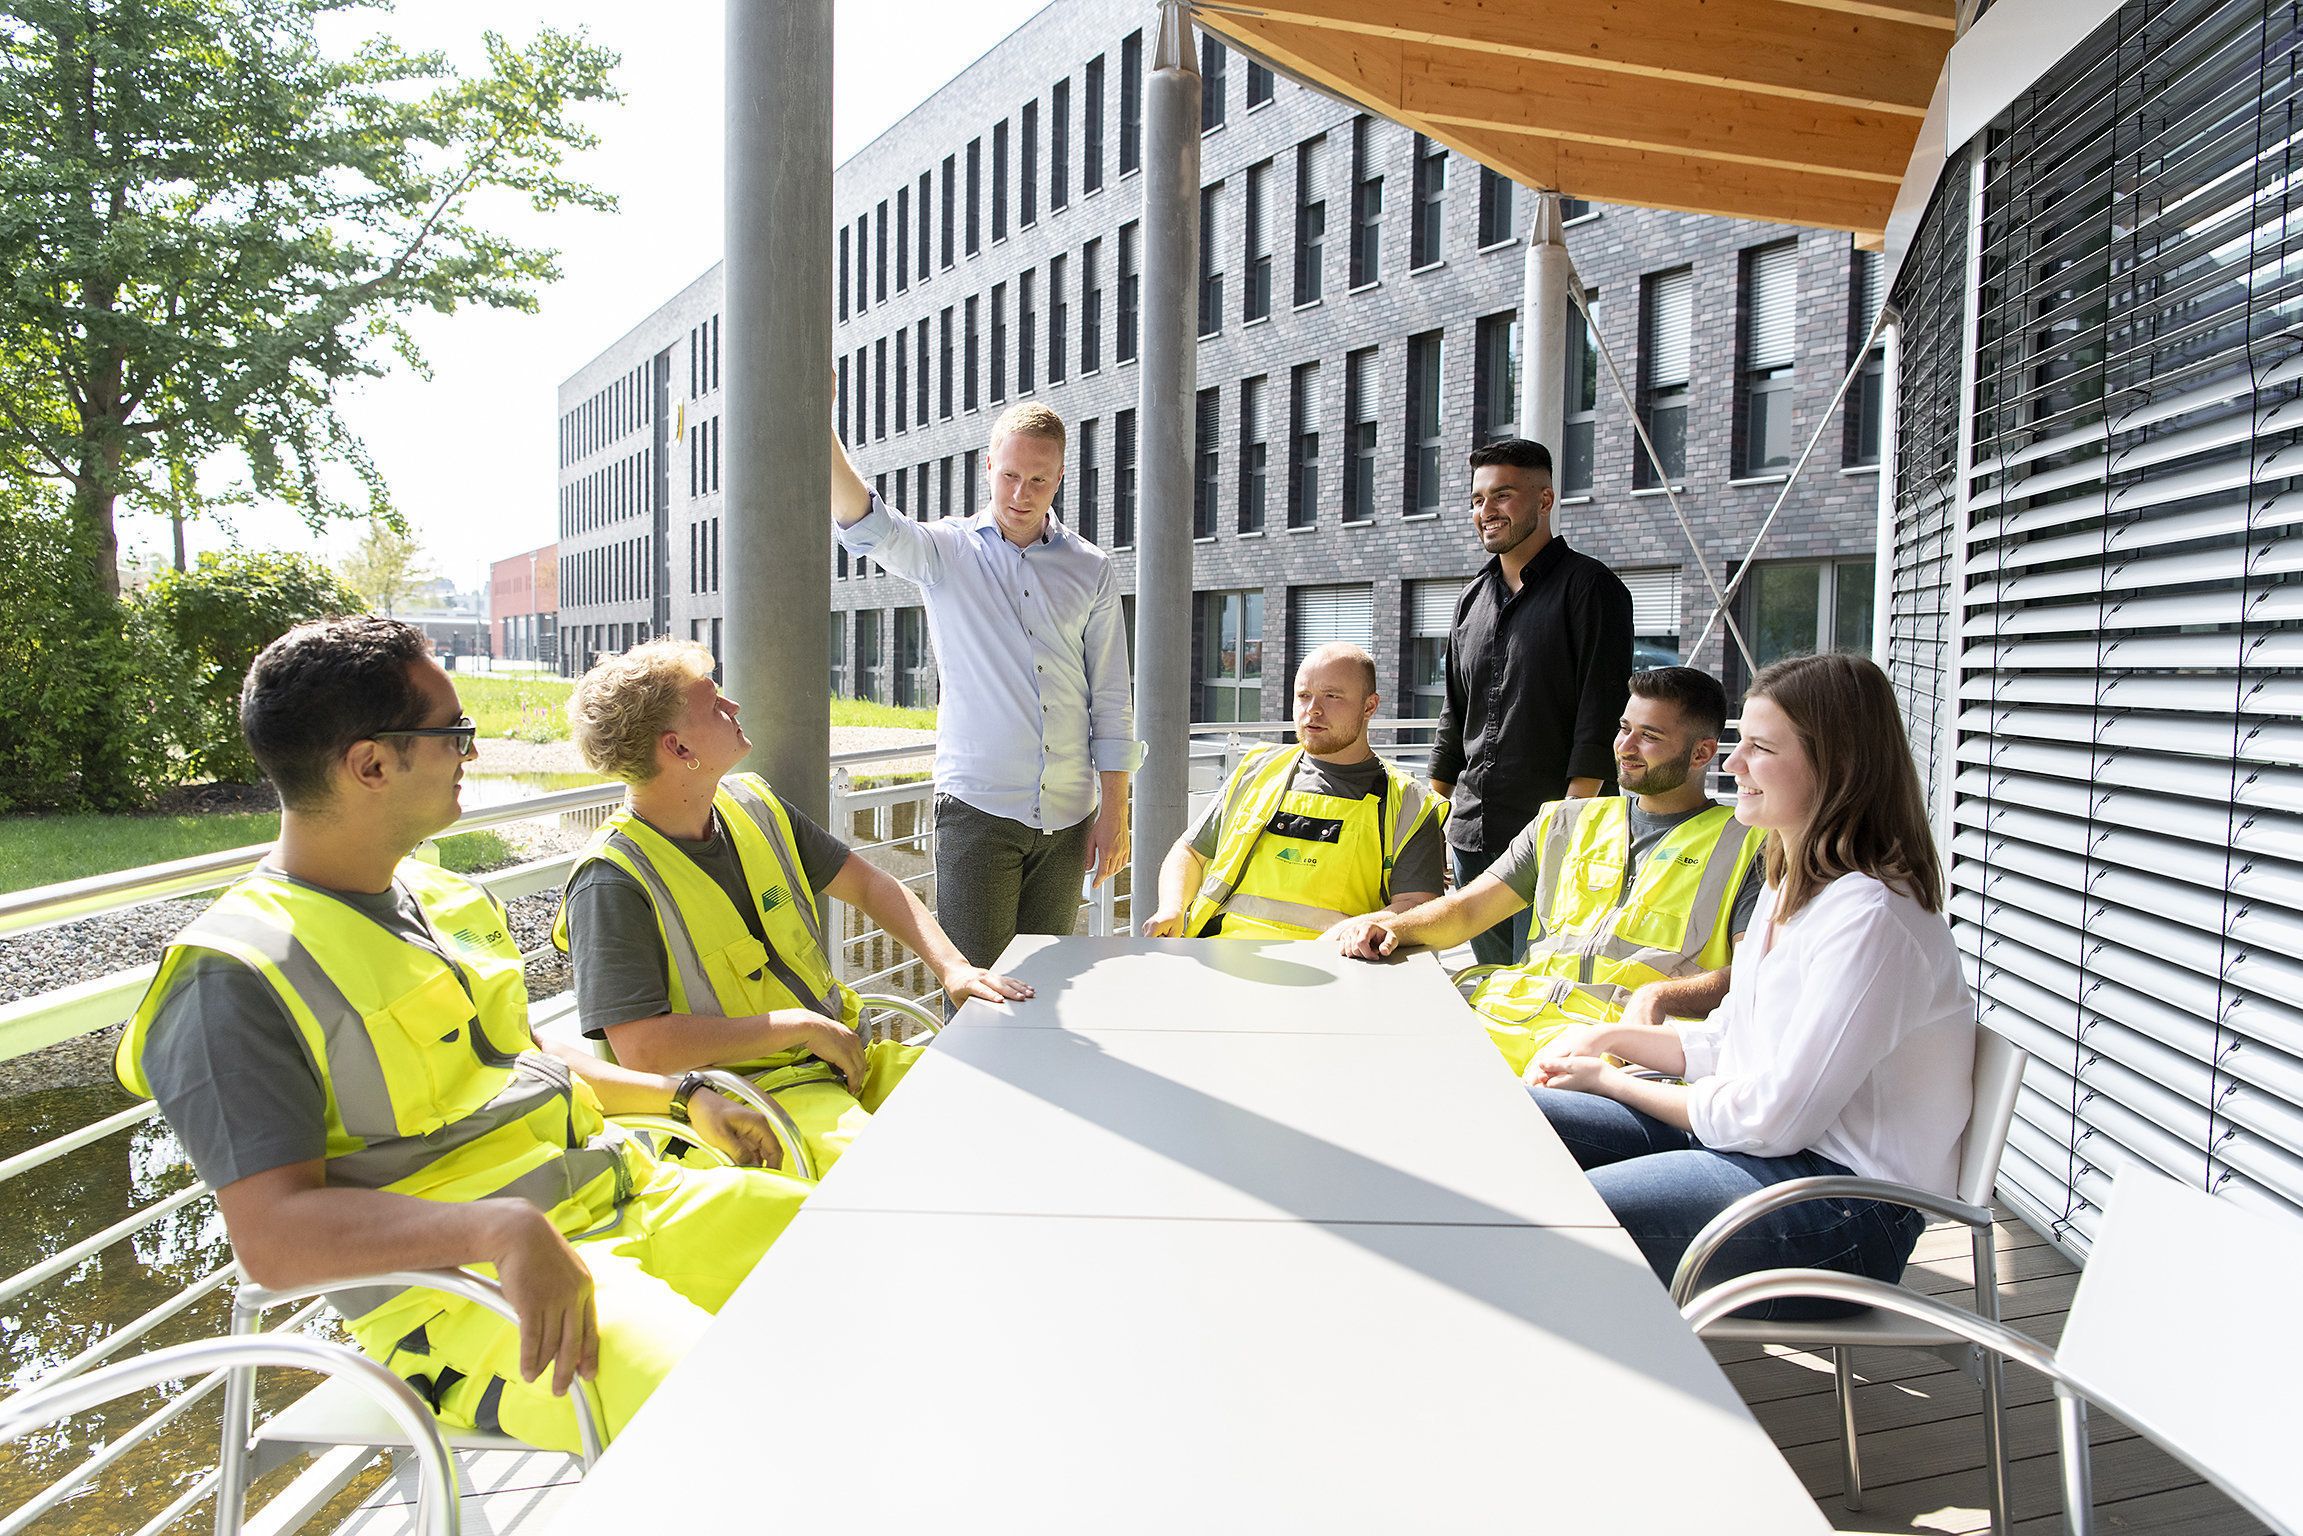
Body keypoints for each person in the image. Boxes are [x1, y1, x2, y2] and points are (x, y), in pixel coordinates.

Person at [117, 617, 814, 1453]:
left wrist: (682, 1093)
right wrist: (498, 1229)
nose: (470, 755)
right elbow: (274, 1237)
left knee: (866, 1265)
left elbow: (516, 1059)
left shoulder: (442, 900)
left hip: (625, 1197)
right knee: (743, 1416)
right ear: (371, 764)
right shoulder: (233, 974)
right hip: (471, 1298)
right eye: (454, 734)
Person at [1521, 653, 1976, 1315]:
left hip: (1843, 1211)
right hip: (1766, 1157)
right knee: (1518, 1126)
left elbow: (1772, 1117)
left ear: (1837, 767)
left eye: (1759, 748)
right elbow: (1733, 1047)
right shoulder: (1793, 882)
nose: (1731, 765)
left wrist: (1610, 1081)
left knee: (1566, 1215)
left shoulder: (1871, 919)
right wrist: (1605, 1039)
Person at [553, 640, 1032, 1172]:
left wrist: (954, 968)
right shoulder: (611, 881)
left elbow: (870, 886)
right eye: (714, 703)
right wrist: (800, 1026)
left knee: (1000, 1102)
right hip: (752, 1103)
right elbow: (643, 1051)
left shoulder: (754, 804)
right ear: (679, 749)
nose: (732, 708)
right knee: (931, 1165)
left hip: (845, 1059)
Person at [833, 400, 1143, 967]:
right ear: (987, 467)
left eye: (1039, 480)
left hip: (1069, 818)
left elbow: (1112, 697)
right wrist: (821, 425)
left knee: (1046, 992)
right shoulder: (945, 551)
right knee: (975, 997)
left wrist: (1115, 811)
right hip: (978, 812)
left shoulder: (1091, 567)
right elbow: (867, 523)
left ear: (1061, 478)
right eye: (1010, 476)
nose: (1021, 495)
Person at [1336, 667, 1763, 1075]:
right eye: (1624, 728)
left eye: (1649, 736)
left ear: (1702, 753)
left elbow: (1753, 974)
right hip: (1502, 1018)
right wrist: (1393, 927)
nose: (1625, 746)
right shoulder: (1563, 821)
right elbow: (1465, 912)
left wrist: (1660, 995)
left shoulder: (1748, 845)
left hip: (1609, 1049)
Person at [1429, 438, 1634, 967]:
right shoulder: (1470, 600)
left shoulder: (1592, 589)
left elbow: (1601, 715)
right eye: (1477, 499)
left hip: (1553, 838)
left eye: (1502, 496)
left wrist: (1569, 825)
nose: (1485, 511)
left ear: (1544, 500)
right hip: (1472, 834)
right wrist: (1432, 822)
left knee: (1542, 986)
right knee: (1491, 984)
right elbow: (1455, 719)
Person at [1142, 643, 1447, 941]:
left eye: (1332, 696)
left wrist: (1363, 929)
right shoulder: (1256, 771)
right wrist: (1172, 907)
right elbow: (1190, 853)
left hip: (1336, 973)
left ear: (1369, 706)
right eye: (1304, 695)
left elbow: (1419, 908)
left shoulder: (1409, 804)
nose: (1313, 710)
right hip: (1221, 957)